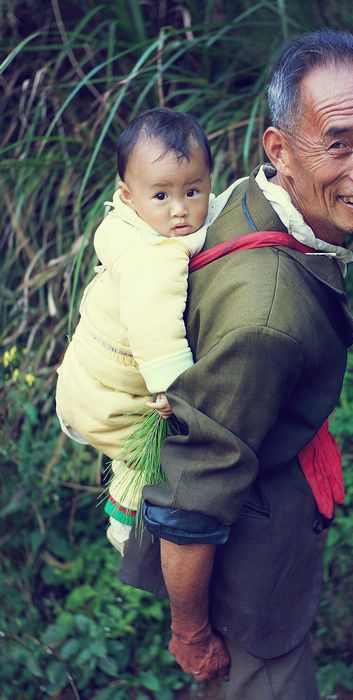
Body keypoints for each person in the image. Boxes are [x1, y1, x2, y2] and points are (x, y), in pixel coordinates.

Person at [118, 28, 353, 699]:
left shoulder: (252, 197)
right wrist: (191, 633)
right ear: (278, 147)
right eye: (338, 142)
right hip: (245, 604)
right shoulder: (267, 317)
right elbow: (190, 500)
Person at [55, 107, 238, 554]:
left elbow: (212, 210)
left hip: (83, 376)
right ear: (129, 194)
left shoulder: (128, 221)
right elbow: (155, 331)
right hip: (111, 399)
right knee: (145, 461)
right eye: (161, 196)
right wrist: (177, 391)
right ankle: (126, 533)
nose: (180, 211)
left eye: (193, 191)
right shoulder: (153, 258)